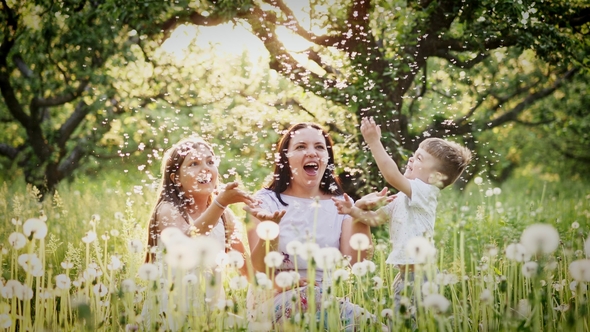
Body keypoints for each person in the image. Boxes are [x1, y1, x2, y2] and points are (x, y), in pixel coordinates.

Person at [244, 122, 379, 330]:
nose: (312, 152)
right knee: (310, 299)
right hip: (275, 296)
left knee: (373, 326)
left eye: (319, 147)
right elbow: (260, 269)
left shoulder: (341, 203)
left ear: (327, 157)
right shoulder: (264, 202)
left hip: (329, 300)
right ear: (285, 158)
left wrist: (359, 214)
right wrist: (269, 232)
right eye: (300, 147)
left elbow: (357, 261)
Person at [333, 116, 472, 312]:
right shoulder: (403, 197)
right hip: (406, 276)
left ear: (436, 177)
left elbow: (391, 175)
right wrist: (353, 210)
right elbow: (376, 219)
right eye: (414, 155)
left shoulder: (426, 192)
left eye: (419, 159)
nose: (411, 159)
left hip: (423, 277)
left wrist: (374, 142)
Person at [143, 136, 258, 329]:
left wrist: (285, 283)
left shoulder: (224, 216)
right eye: (194, 163)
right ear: (176, 178)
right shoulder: (169, 209)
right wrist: (220, 203)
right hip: (168, 316)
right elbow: (185, 244)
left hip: (210, 318)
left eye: (210, 162)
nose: (205, 168)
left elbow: (247, 270)